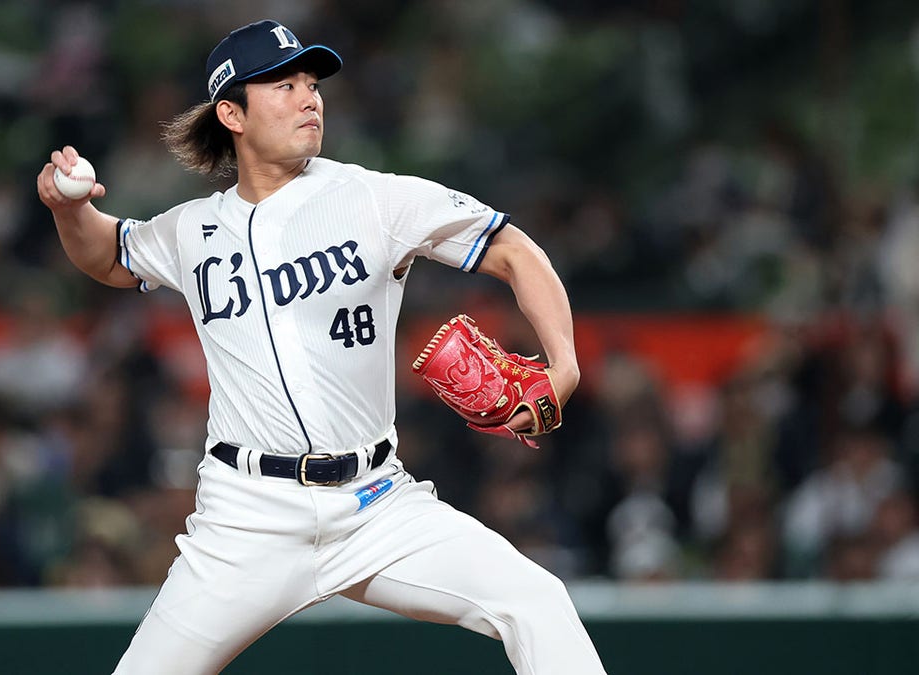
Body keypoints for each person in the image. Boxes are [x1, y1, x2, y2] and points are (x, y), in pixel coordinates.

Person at [37, 19, 607, 675]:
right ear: (232, 112)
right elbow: (108, 253)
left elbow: (510, 247)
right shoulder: (191, 230)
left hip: (377, 503)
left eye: (312, 83)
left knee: (536, 600)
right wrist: (66, 210)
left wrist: (562, 360)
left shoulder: (373, 197)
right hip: (247, 518)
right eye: (284, 84)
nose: (310, 97)